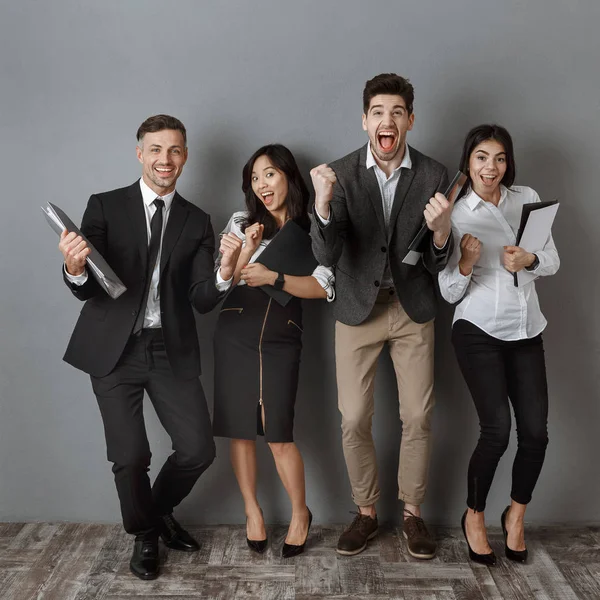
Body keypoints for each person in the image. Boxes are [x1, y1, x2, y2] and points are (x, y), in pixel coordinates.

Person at [58, 114, 242, 580]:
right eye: (156, 149)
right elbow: (87, 285)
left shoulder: (198, 221)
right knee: (130, 456)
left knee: (198, 449)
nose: (166, 159)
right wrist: (75, 268)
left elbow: (202, 299)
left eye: (175, 150)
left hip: (169, 348)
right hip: (113, 351)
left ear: (185, 156)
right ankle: (144, 535)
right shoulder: (104, 207)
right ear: (140, 153)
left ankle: (154, 513)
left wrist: (225, 272)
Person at [310, 73, 454, 558]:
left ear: (410, 120)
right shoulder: (340, 173)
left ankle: (413, 513)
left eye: (397, 112)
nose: (386, 120)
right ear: (365, 120)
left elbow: (437, 262)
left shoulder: (435, 175)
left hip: (412, 308)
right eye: (377, 112)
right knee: (353, 418)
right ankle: (366, 512)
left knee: (417, 415)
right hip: (357, 309)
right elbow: (326, 255)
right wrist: (323, 206)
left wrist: (440, 234)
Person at [438, 124, 560, 564]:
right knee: (497, 431)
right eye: (482, 158)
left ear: (509, 163)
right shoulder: (453, 212)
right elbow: (449, 292)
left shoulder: (526, 197)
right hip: (477, 330)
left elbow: (552, 259)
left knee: (535, 434)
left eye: (500, 158)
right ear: (467, 163)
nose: (491, 167)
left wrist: (529, 259)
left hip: (527, 328)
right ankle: (474, 516)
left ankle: (516, 516)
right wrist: (467, 262)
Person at [213, 143, 334, 558]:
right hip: (235, 328)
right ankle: (252, 512)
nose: (262, 184)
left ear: (288, 176)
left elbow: (322, 287)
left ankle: (301, 513)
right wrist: (245, 250)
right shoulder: (240, 222)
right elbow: (224, 280)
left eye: (269, 174)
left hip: (282, 333)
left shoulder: (312, 228)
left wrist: (273, 276)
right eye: (254, 178)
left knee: (278, 432)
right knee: (241, 430)